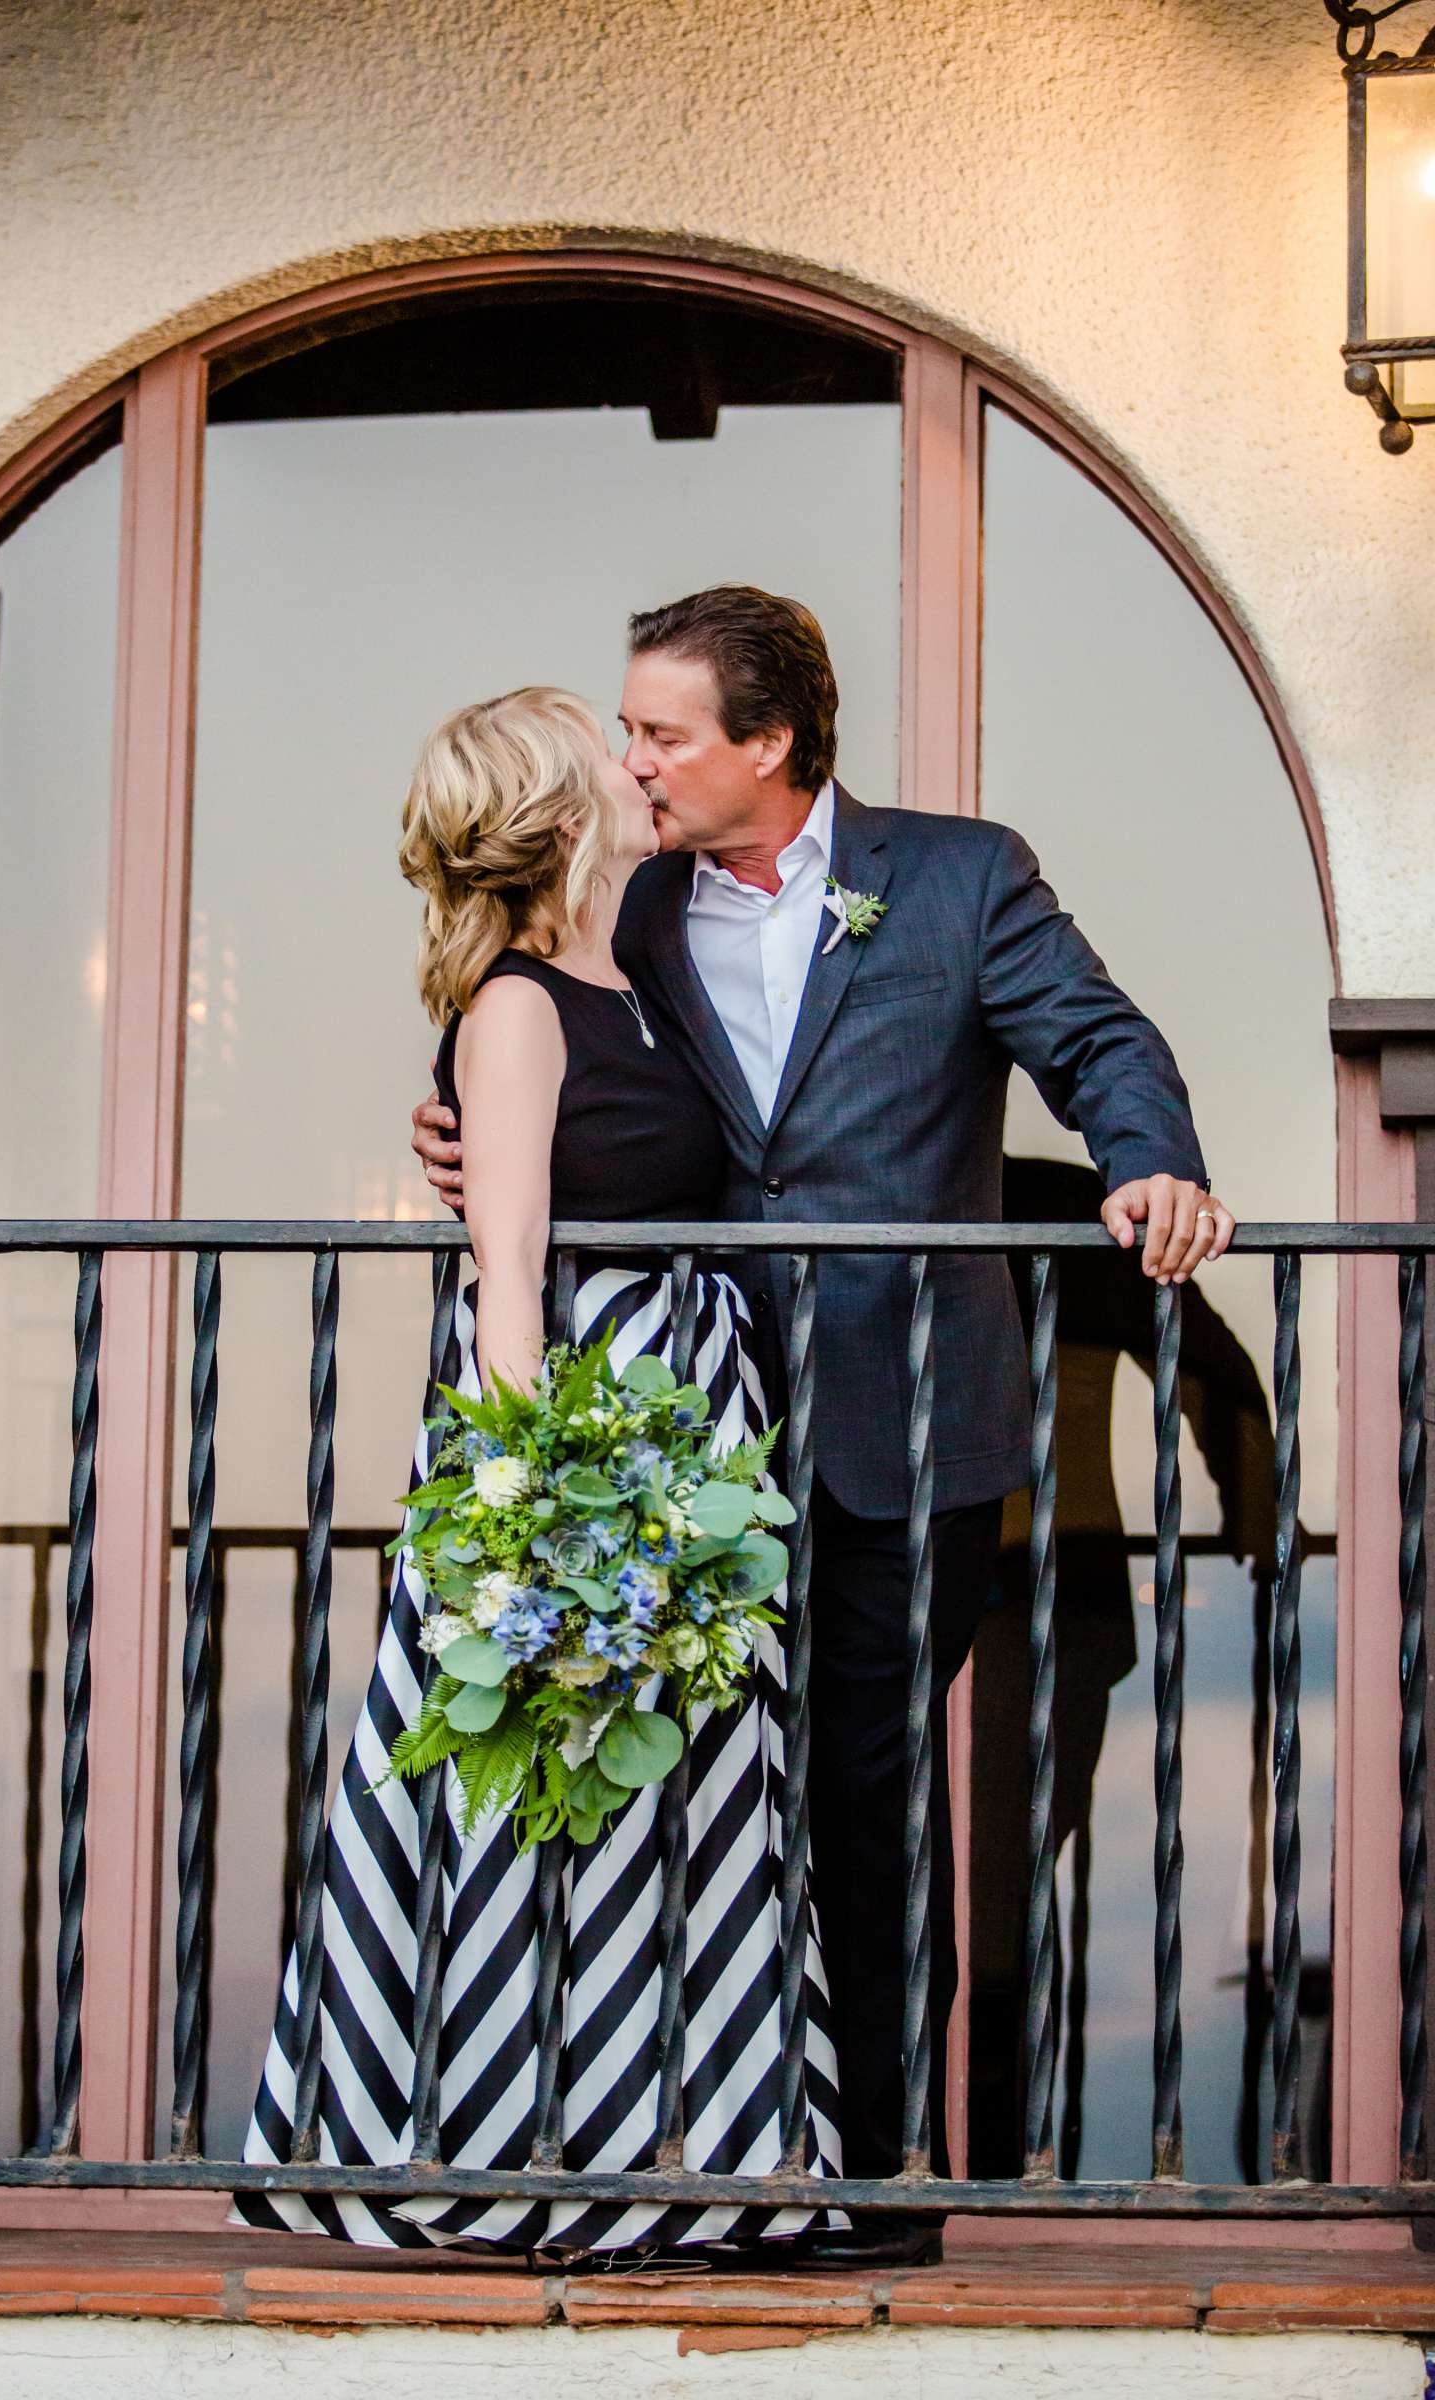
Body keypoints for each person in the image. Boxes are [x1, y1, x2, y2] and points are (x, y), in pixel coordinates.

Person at [413, 587, 1234, 2251]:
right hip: (687, 1432)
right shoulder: (630, 907)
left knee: (863, 1791)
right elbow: (552, 1060)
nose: (632, 763)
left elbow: (1097, 1039)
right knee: (693, 1791)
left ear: (769, 743)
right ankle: (681, 2158)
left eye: (662, 734)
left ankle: (873, 2185)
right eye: (628, 732)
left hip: (905, 1428)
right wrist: (456, 1141)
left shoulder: (955, 877)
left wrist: (1150, 1156)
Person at [236, 686, 844, 2258]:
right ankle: (488, 2152)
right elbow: (508, 1274)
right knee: (535, 1798)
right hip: (583, 1448)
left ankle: (700, 2166)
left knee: (690, 1807)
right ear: (567, 812)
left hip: (691, 1431)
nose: (638, 766)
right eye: (610, 747)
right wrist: (529, 1517)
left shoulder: (633, 975)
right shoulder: (515, 1009)